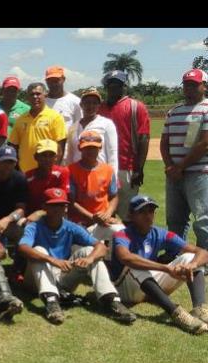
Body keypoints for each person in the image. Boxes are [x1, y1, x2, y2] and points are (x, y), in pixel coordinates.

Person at [18, 187, 135, 324]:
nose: (58, 209)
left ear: (66, 208)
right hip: (35, 280)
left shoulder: (71, 227)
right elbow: (23, 247)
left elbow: (101, 247)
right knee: (39, 250)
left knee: (88, 250)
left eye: (61, 205)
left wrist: (89, 259)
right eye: (53, 205)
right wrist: (52, 260)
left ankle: (111, 300)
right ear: (44, 207)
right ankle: (51, 302)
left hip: (62, 277)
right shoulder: (34, 226)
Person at [111, 195, 208, 334]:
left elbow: (202, 252)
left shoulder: (160, 233)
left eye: (151, 211)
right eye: (142, 212)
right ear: (131, 215)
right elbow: (125, 257)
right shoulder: (122, 235)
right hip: (125, 289)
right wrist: (165, 268)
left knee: (191, 257)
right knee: (135, 264)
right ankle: (177, 314)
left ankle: (200, 309)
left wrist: (192, 264)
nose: (148, 215)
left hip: (147, 286)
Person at [162, 68, 208, 250]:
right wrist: (170, 167)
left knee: (203, 219)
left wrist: (179, 167)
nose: (189, 88)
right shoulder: (174, 111)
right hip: (175, 175)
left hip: (199, 174)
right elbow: (164, 142)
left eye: (194, 85)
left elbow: (204, 144)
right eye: (186, 85)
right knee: (175, 219)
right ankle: (175, 253)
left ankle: (203, 259)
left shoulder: (206, 109)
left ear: (204, 86)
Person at [99, 70, 150, 219]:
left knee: (128, 215)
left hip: (126, 168)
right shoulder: (99, 108)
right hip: (102, 167)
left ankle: (128, 243)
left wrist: (139, 169)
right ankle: (107, 243)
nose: (114, 87)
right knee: (105, 213)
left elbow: (144, 138)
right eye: (111, 84)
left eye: (118, 84)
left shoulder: (136, 107)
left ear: (124, 86)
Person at [68, 131, 123, 243]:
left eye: (94, 148)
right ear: (80, 148)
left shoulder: (108, 170)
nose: (91, 151)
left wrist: (107, 214)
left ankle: (113, 260)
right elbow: (71, 202)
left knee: (122, 234)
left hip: (103, 221)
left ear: (100, 148)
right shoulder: (71, 170)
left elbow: (114, 196)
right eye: (87, 148)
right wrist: (92, 217)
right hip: (80, 222)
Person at [9, 82, 67, 173]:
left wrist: (54, 170)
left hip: (47, 172)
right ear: (27, 97)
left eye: (38, 94)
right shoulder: (21, 119)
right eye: (32, 94)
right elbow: (14, 146)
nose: (35, 97)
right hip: (25, 172)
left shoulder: (55, 117)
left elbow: (60, 148)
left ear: (45, 95)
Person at [65, 88, 118, 174]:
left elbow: (112, 153)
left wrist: (113, 178)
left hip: (100, 174)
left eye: (94, 103)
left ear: (99, 105)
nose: (91, 106)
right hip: (77, 175)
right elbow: (70, 155)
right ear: (81, 104)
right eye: (87, 102)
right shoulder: (73, 127)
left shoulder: (106, 124)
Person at [25, 140, 70, 220]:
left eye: (51, 155)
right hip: (31, 217)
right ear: (35, 157)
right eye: (43, 155)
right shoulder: (28, 176)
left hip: (56, 216)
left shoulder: (62, 173)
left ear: (56, 157)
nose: (47, 159)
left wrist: (40, 213)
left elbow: (61, 203)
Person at [44, 66, 82, 135]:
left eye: (56, 80)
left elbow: (81, 127)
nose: (53, 84)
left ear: (63, 79)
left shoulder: (75, 102)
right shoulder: (41, 102)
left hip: (68, 145)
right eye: (50, 81)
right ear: (46, 82)